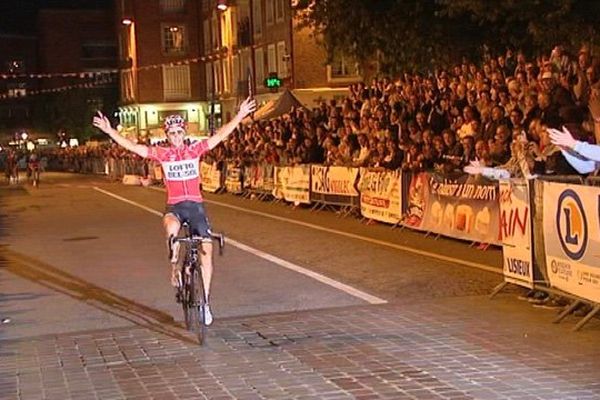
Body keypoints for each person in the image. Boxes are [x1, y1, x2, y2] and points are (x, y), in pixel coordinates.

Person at [92, 97, 257, 326]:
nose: (176, 137)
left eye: (179, 132)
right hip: (175, 206)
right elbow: (133, 147)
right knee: (171, 228)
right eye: (172, 134)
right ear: (167, 136)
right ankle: (174, 268)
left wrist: (239, 115)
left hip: (196, 206)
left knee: (206, 251)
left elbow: (220, 136)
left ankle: (206, 303)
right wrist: (110, 131)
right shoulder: (162, 153)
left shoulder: (194, 150)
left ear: (184, 133)